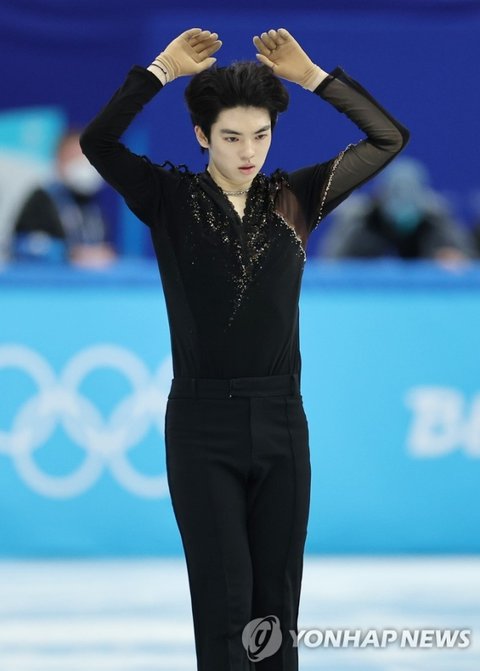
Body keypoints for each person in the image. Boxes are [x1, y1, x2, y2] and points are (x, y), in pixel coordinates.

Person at [80, 27, 409, 671]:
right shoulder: (167, 199)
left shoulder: (298, 198)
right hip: (202, 428)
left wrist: (313, 78)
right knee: (225, 608)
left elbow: (387, 138)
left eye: (260, 135)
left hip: (282, 422)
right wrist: (159, 70)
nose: (249, 151)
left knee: (274, 615)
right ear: (202, 136)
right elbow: (99, 142)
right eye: (231, 137)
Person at [321, 156, 475, 264]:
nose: (403, 201)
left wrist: (456, 260)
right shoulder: (359, 220)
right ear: (380, 195)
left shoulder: (437, 219)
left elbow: (468, 265)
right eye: (396, 194)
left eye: (410, 194)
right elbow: (331, 266)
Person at [14, 129, 116, 266]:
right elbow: (22, 245)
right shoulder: (43, 198)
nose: (84, 163)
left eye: (88, 157)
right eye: (75, 157)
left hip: (87, 278)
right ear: (59, 161)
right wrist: (68, 253)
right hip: (51, 277)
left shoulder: (92, 202)